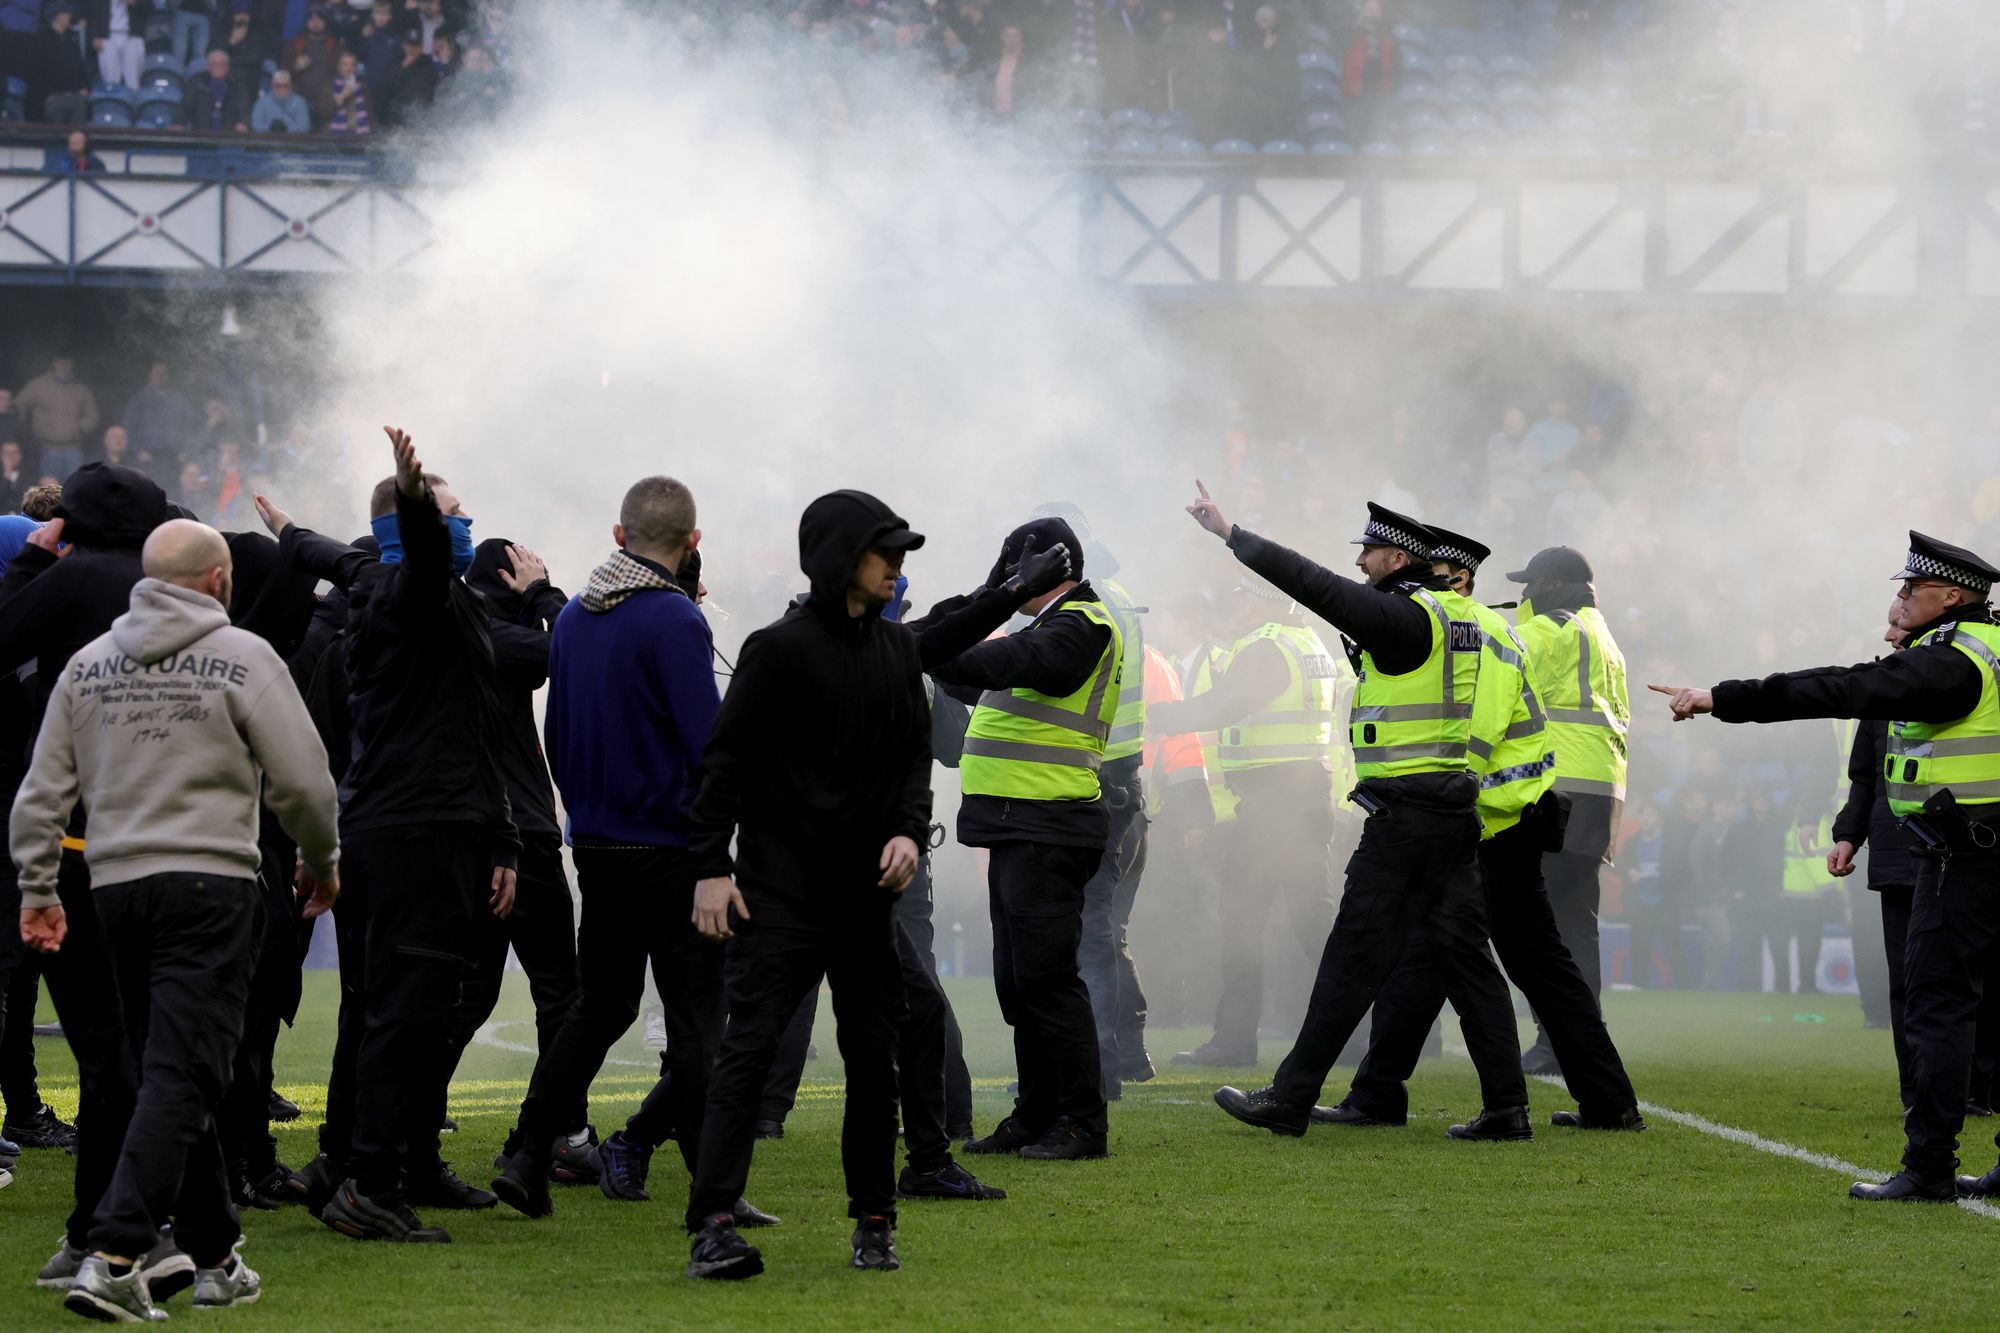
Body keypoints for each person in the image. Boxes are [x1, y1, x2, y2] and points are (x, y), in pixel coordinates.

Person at [12, 518, 340, 1321]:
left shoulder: (89, 663)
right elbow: (305, 782)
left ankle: (215, 1254)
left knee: (173, 1064)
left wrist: (38, 886)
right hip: (210, 884)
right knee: (184, 1071)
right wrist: (320, 859)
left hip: (114, 889)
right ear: (219, 579)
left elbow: (41, 791)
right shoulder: (244, 655)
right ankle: (115, 1253)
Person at [1652, 531, 2000, 1201]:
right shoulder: (1989, 647)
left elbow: (1839, 687)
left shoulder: (1950, 663)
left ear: (1952, 597)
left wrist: (1722, 697)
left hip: (1963, 857)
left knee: (1936, 1007)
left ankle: (1929, 1165)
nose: (1900, 597)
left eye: (1913, 587)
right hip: (1982, 848)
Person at [1188, 491, 1530, 1142]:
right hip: (1453, 812)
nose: (1359, 562)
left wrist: (1234, 535)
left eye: (1368, 551)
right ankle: (1507, 1108)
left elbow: (1313, 584)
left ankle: (1290, 1098)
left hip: (1405, 819)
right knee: (1470, 965)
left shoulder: (1405, 617)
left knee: (1349, 959)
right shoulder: (1457, 616)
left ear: (1397, 558)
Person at [490, 478, 768, 1229]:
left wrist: (586, 811)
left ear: (620, 535)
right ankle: (717, 1191)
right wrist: (718, 851)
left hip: (598, 842)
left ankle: (527, 1152)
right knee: (698, 1018)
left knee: (602, 1004)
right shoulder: (676, 617)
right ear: (693, 541)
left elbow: (557, 734)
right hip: (672, 848)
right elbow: (709, 746)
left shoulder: (575, 617)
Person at [680, 490, 938, 1280]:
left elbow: (913, 760)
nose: (897, 566)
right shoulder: (776, 650)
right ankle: (713, 1224)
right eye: (885, 551)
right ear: (840, 559)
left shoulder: (898, 650)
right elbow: (723, 766)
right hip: (778, 894)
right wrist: (710, 868)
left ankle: (875, 1220)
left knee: (873, 1060)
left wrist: (908, 830)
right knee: (749, 1051)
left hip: (866, 900)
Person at [1317, 524, 1642, 1134]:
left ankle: (1402, 1096)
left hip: (1486, 819)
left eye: (1431, 574)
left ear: (1457, 577)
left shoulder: (1482, 633)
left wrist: (1449, 805)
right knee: (1530, 961)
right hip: (1527, 810)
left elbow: (1476, 734)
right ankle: (1606, 1101)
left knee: (1441, 957)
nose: (1418, 585)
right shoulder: (1537, 633)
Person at [296, 427, 520, 1242]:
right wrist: (418, 495)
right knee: (405, 1009)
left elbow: (331, 553)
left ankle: (363, 1165)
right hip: (418, 831)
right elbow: (421, 550)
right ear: (413, 527)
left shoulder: (383, 585)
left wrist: (290, 531)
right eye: (453, 514)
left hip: (416, 824)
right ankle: (369, 1184)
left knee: (394, 1006)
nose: (467, 526)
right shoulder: (412, 591)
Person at [0, 463, 166, 1291]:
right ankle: (105, 1224)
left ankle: (132, 1226)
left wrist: (35, 562)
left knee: (105, 1048)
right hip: (170, 844)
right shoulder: (179, 592)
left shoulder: (72, 579)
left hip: (78, 843)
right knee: (143, 1042)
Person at [933, 515, 1123, 1163]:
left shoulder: (1080, 626)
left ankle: (1083, 1123)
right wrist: (990, 594)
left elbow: (977, 660)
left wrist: (989, 604)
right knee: (1020, 985)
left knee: (1047, 980)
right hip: (1020, 825)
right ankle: (1036, 1114)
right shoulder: (1045, 625)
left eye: (1015, 570)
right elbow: (956, 667)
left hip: (1050, 825)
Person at [1150, 572, 1349, 1068]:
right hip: (1298, 800)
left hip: (1273, 807)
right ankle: (1359, 1032)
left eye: (1244, 597)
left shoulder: (1265, 646)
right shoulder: (1309, 643)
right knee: (1312, 923)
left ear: (1261, 602)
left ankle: (1236, 1041)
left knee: (1245, 923)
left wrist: (1159, 717)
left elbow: (1222, 707)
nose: (1238, 606)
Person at [1030, 500, 1156, 1096]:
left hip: (1090, 777)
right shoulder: (1116, 596)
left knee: (1087, 930)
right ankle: (1112, 1059)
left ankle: (1094, 1070)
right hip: (1117, 775)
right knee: (1098, 926)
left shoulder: (1081, 604)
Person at [1508, 546, 1629, 1075]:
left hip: (1558, 790)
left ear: (1554, 586)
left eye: (1529, 584)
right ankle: (1576, 1042)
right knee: (1574, 926)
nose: (1523, 594)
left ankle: (1558, 1042)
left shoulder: (1554, 628)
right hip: (1598, 792)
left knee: (1542, 929)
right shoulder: (1600, 635)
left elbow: (1498, 658)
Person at [1831, 617, 1918, 1110]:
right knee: (1906, 980)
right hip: (1896, 853)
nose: (1888, 636)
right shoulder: (1881, 694)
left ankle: (1977, 1087)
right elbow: (1864, 778)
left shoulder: (1968, 677)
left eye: (1898, 625)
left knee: (1965, 980)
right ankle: (1918, 1091)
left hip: (1966, 852)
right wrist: (1848, 836)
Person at [13, 353, 100, 482]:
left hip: (74, 449)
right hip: (46, 449)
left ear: (72, 363)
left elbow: (93, 414)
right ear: (53, 362)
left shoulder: (81, 389)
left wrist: (80, 428)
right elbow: (19, 405)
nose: (63, 364)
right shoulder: (38, 385)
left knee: (75, 486)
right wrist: (24, 432)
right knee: (49, 490)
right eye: (59, 361)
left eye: (66, 361)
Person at [176, 48, 249, 133]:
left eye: (221, 64)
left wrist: (243, 123)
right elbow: (184, 108)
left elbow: (243, 110)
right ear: (209, 66)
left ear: (227, 67)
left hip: (228, 136)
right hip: (200, 135)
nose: (217, 67)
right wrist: (178, 123)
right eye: (214, 64)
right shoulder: (197, 84)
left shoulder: (237, 87)